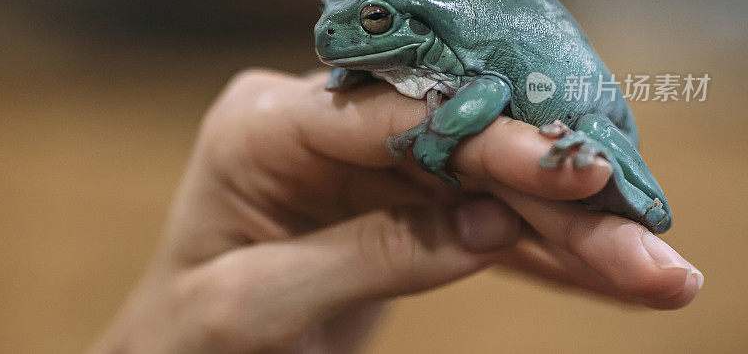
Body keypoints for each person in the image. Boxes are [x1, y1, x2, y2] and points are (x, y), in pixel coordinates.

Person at [91, 70, 703, 353]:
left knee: (594, 159)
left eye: (373, 20)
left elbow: (488, 91)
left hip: (589, 120)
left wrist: (436, 137)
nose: (329, 34)